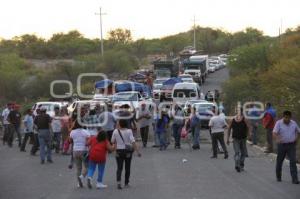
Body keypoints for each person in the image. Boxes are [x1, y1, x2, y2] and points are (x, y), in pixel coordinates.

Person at [111, 119, 141, 190]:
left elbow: (112, 141)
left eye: (118, 123)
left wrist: (114, 149)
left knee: (119, 167)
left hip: (119, 151)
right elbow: (133, 142)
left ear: (120, 124)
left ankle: (118, 182)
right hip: (128, 152)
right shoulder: (129, 131)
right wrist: (137, 151)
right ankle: (126, 183)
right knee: (127, 167)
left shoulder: (115, 131)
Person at [273, 111, 299, 184]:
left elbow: (298, 131)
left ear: (290, 117)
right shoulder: (279, 123)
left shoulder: (293, 123)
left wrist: (296, 138)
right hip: (282, 145)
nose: (287, 119)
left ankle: (295, 179)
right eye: (285, 117)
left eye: (288, 117)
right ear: (283, 116)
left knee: (293, 161)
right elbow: (274, 133)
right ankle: (278, 176)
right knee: (279, 161)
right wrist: (277, 139)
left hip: (291, 145)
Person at [227, 108, 251, 172]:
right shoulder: (245, 119)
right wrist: (249, 135)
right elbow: (248, 127)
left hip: (236, 138)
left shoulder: (232, 120)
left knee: (237, 152)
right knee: (243, 152)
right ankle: (241, 165)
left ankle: (237, 164)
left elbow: (229, 129)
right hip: (243, 138)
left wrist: (227, 138)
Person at [69, 121, 90, 188]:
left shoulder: (72, 132)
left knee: (78, 168)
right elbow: (88, 142)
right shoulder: (86, 132)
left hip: (75, 151)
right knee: (87, 167)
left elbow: (70, 141)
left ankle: (79, 183)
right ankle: (82, 176)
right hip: (84, 151)